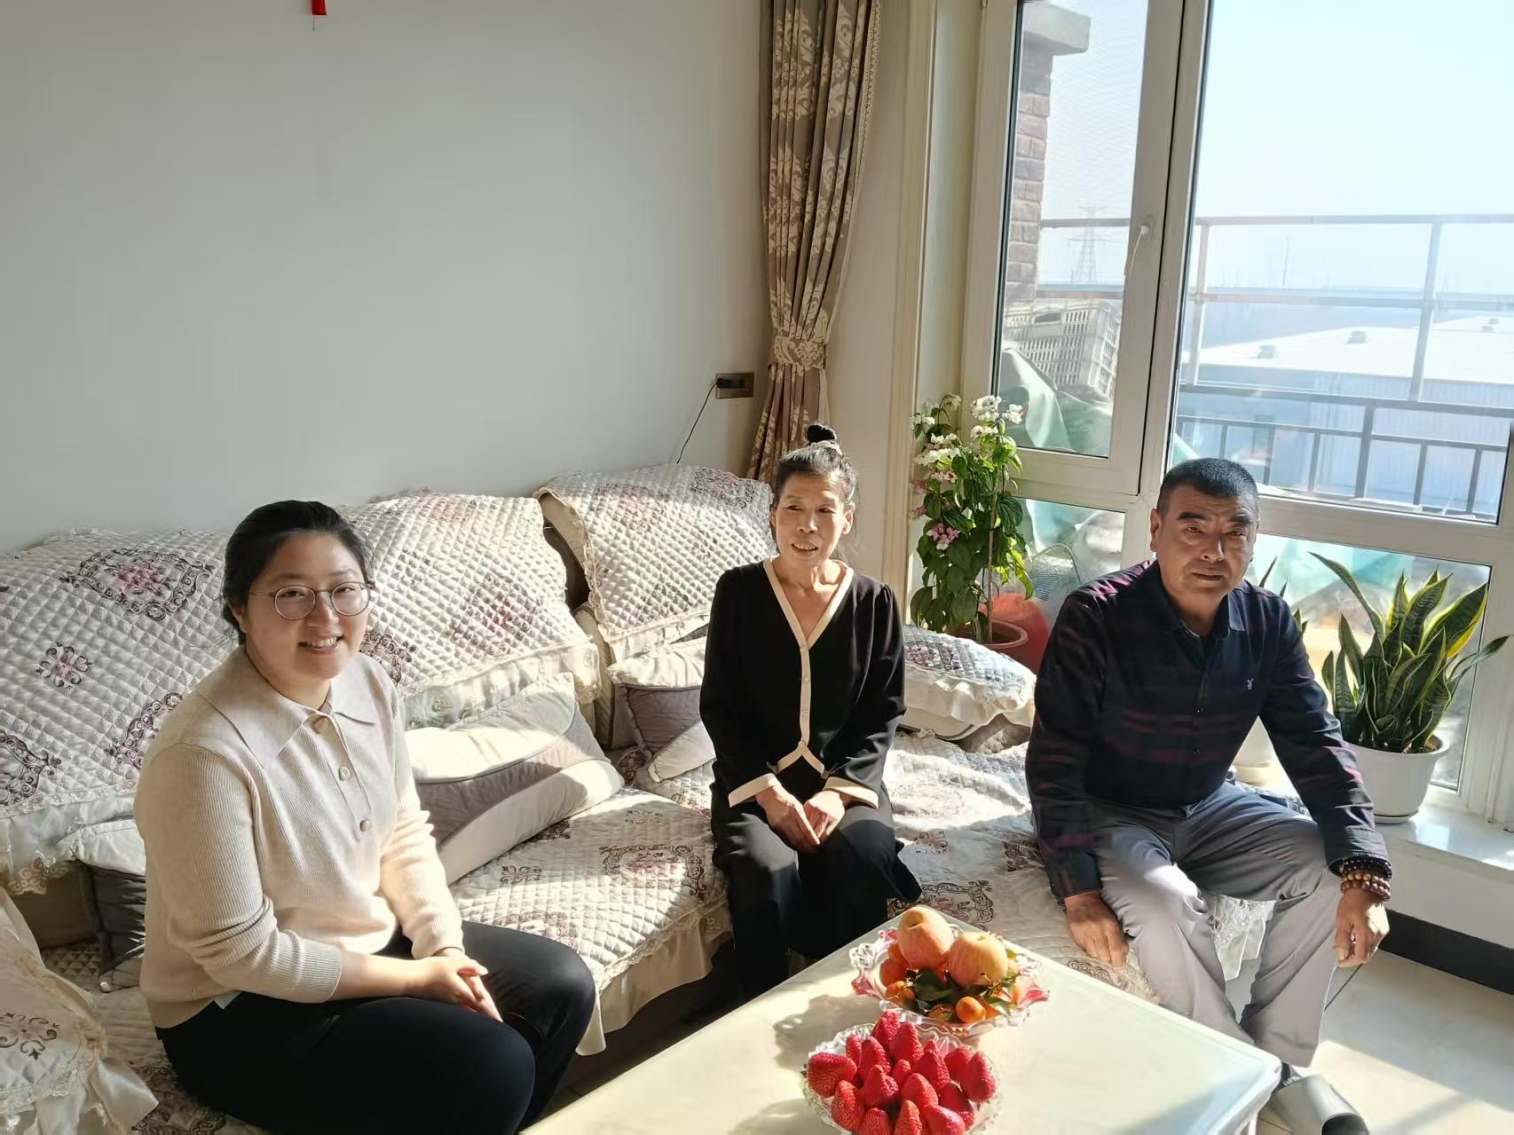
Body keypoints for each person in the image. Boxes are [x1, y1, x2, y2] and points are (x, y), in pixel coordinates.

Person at [136, 501, 596, 1134]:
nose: (325, 618)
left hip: (359, 940)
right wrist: (415, 980)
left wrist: (444, 947)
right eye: (291, 595)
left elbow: (402, 832)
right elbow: (240, 954)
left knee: (560, 986)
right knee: (492, 1062)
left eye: (343, 590)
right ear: (239, 609)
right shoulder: (201, 755)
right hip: (237, 1009)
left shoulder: (368, 682)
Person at [1027, 458, 1390, 1132]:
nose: (1214, 551)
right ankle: (1247, 1078)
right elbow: (1055, 757)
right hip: (1112, 810)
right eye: (1193, 528)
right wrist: (1077, 891)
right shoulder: (1096, 616)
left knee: (1326, 868)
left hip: (1209, 804)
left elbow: (1315, 741)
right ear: (1156, 529)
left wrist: (1364, 871)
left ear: (1253, 540)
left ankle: (1277, 1061)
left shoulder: (1269, 622)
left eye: (1235, 533)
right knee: (1163, 905)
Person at [701, 424, 922, 998]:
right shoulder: (738, 592)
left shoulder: (875, 602)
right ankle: (759, 1008)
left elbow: (882, 711)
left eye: (825, 510)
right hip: (755, 784)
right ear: (772, 513)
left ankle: (842, 1005)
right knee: (767, 871)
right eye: (794, 508)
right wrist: (772, 796)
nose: (807, 525)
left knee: (862, 856)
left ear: (847, 519)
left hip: (842, 783)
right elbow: (721, 707)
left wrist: (837, 794)